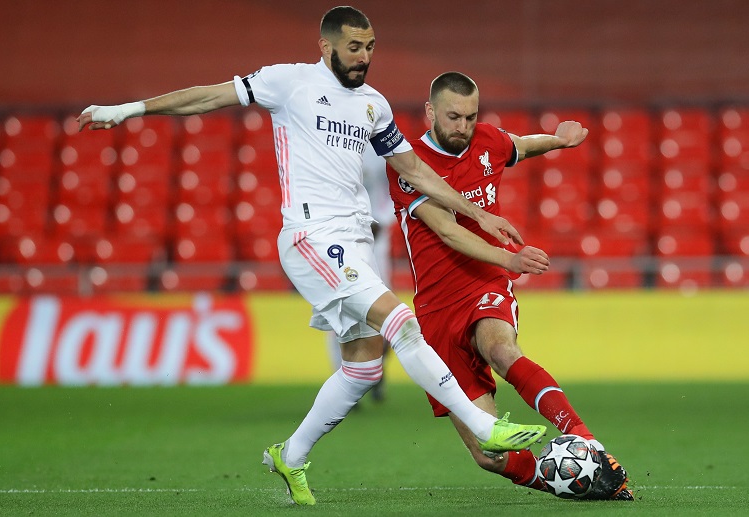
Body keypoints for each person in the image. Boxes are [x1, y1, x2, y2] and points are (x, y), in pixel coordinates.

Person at [76, 7, 547, 506]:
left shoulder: (374, 106)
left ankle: (291, 455)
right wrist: (127, 109)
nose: (364, 57)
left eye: (369, 47)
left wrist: (477, 213)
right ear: (326, 47)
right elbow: (210, 96)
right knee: (402, 324)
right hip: (310, 236)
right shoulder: (289, 83)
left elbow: (414, 171)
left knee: (363, 369)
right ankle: (483, 425)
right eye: (354, 47)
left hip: (355, 241)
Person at [385, 71, 633, 500]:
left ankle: (589, 443)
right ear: (430, 113)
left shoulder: (485, 139)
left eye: (470, 116)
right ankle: (575, 484)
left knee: (500, 349)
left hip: (485, 284)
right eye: (453, 117)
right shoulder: (409, 165)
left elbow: (518, 145)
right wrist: (511, 258)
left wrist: (556, 139)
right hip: (436, 310)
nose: (463, 127)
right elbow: (446, 231)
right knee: (488, 454)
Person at [327, 144, 392, 402]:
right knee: (340, 310)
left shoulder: (381, 145)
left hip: (375, 239)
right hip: (339, 237)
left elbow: (393, 190)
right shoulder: (329, 139)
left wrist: (382, 222)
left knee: (382, 311)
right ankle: (343, 380)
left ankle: (376, 371)